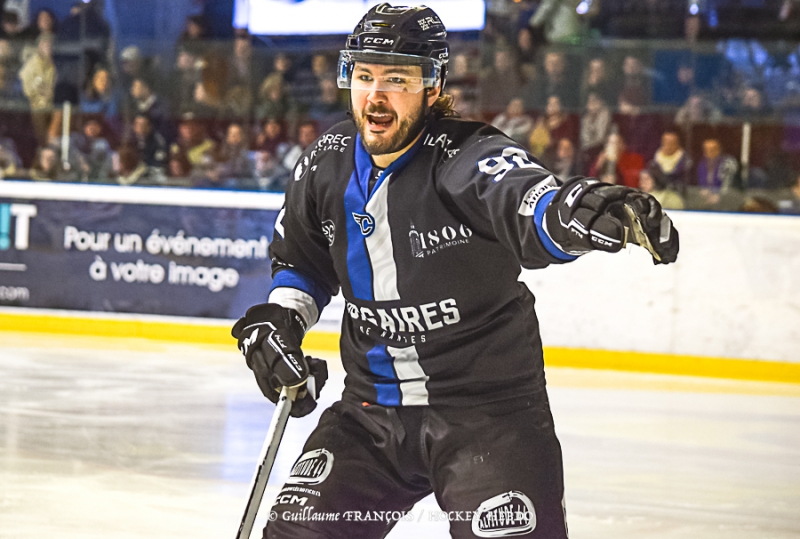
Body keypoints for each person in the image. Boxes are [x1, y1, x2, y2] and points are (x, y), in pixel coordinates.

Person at [230, 5, 679, 539]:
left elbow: (524, 202)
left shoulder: (467, 153)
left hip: (488, 415)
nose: (375, 95)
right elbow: (302, 263)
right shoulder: (324, 162)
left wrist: (565, 213)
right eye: (364, 75)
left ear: (433, 85)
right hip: (369, 415)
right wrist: (282, 321)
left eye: (397, 78)